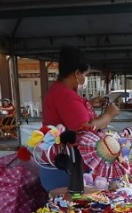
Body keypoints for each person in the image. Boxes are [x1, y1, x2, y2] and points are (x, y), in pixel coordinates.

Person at [41, 46, 120, 190]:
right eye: (85, 74)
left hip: (63, 164)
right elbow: (86, 127)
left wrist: (88, 104)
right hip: (65, 167)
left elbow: (69, 117)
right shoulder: (66, 96)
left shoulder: (60, 91)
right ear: (77, 73)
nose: (86, 78)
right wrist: (109, 114)